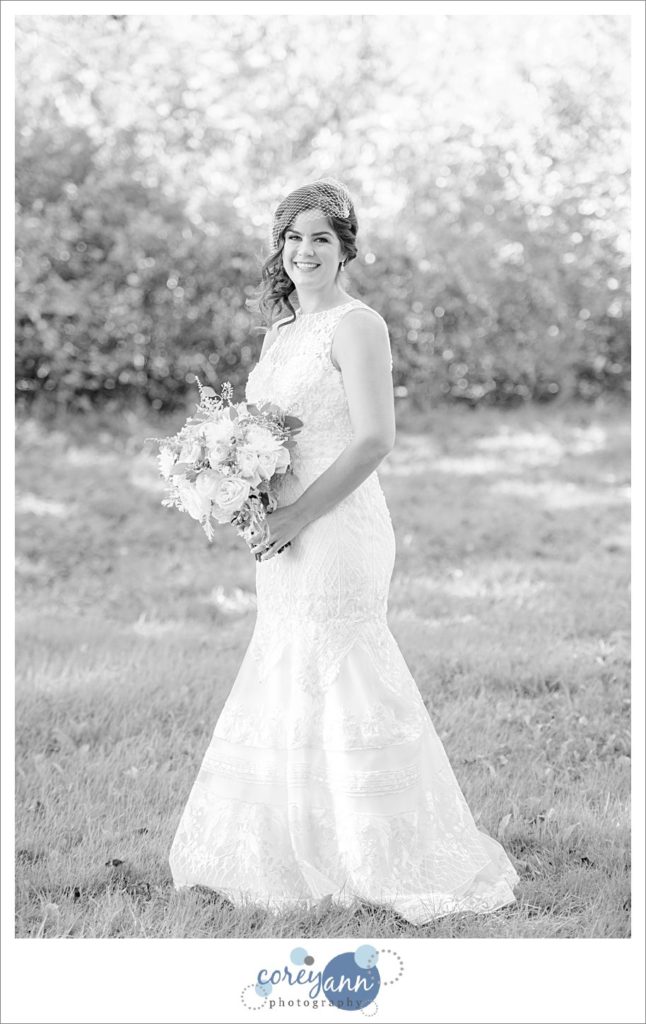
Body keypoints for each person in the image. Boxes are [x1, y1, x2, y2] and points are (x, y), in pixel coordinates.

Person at [169, 178, 519, 924]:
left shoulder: (359, 326)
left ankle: (379, 850)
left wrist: (297, 514)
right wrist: (245, 495)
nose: (304, 252)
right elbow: (267, 435)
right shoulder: (282, 332)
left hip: (339, 526)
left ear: (345, 246)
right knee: (286, 665)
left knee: (343, 668)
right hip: (285, 528)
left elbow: (374, 438)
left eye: (320, 238)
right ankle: (289, 846)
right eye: (293, 238)